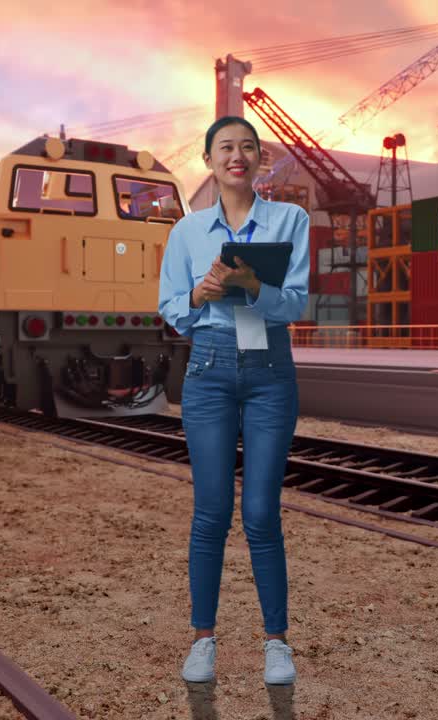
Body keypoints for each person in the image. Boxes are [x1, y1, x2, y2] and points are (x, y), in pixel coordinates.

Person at [158, 116, 310, 687]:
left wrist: (251, 286)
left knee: (261, 513)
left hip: (270, 367)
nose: (237, 156)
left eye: (248, 147)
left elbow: (293, 303)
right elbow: (172, 307)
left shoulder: (289, 219)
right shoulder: (187, 232)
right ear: (208, 160)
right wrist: (200, 292)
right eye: (225, 148)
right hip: (211, 367)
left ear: (260, 158)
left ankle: (276, 643)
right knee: (212, 512)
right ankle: (203, 640)